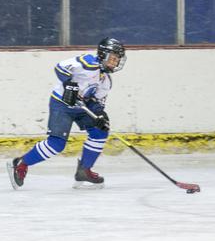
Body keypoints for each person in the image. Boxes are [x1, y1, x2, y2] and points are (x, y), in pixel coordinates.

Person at [8, 37, 127, 189]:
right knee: (57, 144)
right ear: (103, 54)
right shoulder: (88, 63)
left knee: (100, 131)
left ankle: (84, 170)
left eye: (117, 60)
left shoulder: (106, 81)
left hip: (81, 107)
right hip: (61, 104)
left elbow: (96, 102)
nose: (115, 63)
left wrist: (100, 115)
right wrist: (69, 83)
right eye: (112, 58)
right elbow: (60, 67)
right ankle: (21, 163)